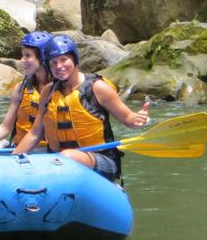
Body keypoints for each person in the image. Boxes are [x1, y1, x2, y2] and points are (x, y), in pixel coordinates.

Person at [13, 34, 150, 182]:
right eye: (53, 62)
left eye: (64, 60)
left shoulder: (97, 88)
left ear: (74, 60)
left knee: (67, 156)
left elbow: (128, 119)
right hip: (58, 161)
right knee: (61, 157)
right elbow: (35, 133)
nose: (59, 66)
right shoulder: (48, 91)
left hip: (101, 160)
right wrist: (12, 162)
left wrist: (140, 118)